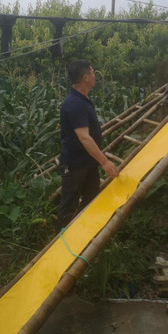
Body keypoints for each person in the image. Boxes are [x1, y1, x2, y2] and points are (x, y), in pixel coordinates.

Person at [57, 59, 119, 230]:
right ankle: (61, 241)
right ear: (85, 77)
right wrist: (105, 162)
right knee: (69, 205)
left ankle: (81, 233)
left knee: (91, 199)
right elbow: (84, 137)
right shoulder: (75, 103)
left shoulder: (83, 99)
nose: (95, 76)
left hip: (88, 162)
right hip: (75, 164)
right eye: (92, 73)